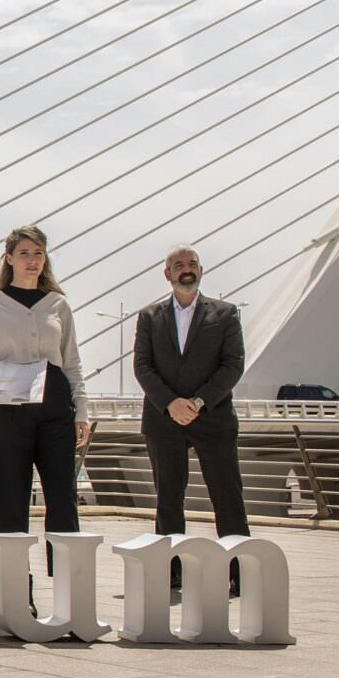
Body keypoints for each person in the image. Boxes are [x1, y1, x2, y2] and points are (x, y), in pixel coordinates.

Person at [0, 225, 90, 608]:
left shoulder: (59, 304)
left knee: (63, 500)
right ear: (8, 258)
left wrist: (82, 413)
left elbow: (71, 364)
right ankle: (17, 596)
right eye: (24, 252)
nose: (32, 260)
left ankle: (68, 598)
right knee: (10, 501)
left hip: (55, 411)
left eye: (38, 252)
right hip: (7, 414)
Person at [133, 245, 248, 594]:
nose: (186, 269)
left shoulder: (226, 314)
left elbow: (233, 365)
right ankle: (171, 573)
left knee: (227, 496)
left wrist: (197, 402)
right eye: (178, 265)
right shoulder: (150, 316)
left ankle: (240, 573)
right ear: (167, 274)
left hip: (212, 417)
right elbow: (142, 366)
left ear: (201, 270)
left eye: (192, 264)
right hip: (163, 418)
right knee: (168, 497)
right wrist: (171, 404)